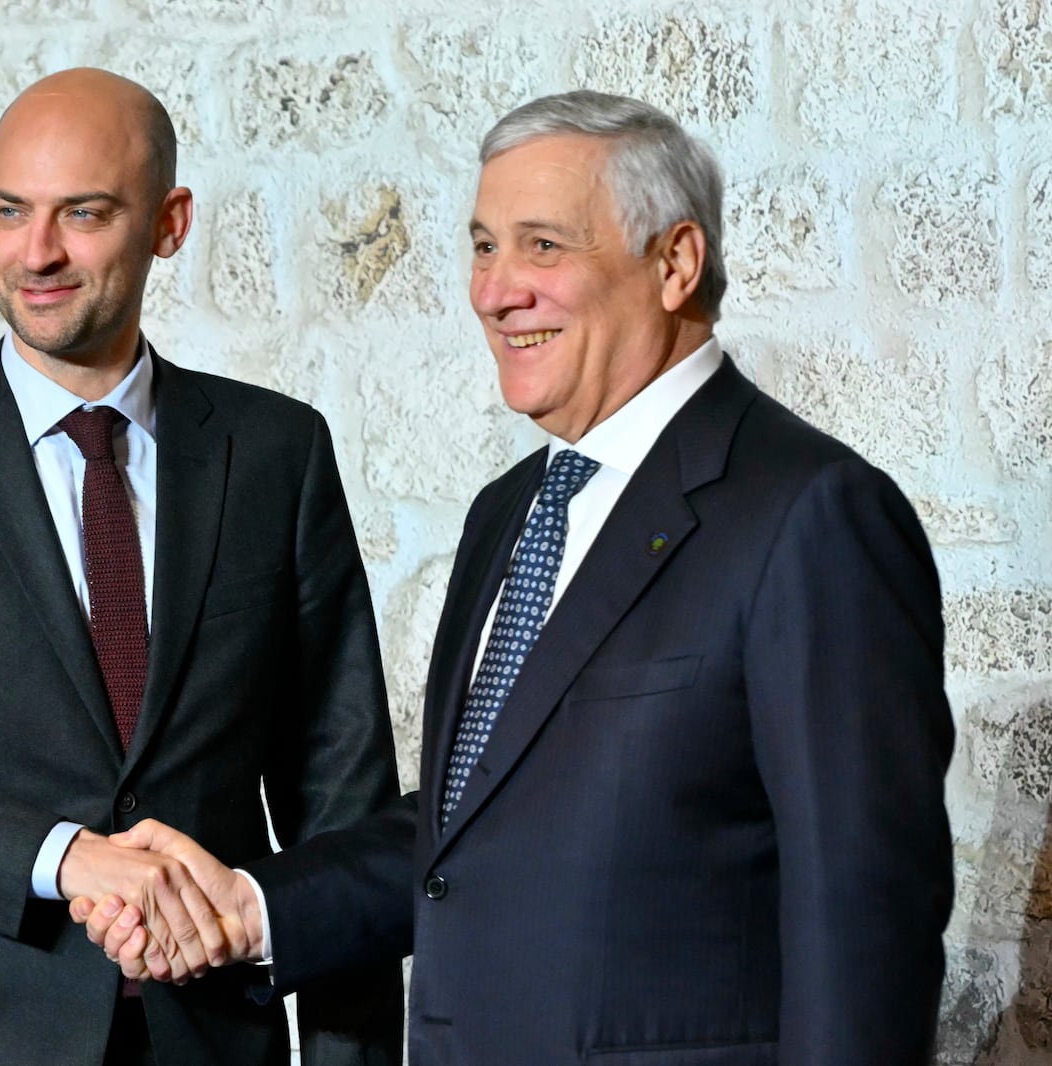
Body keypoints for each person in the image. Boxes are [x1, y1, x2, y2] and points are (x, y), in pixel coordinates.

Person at [76, 89, 956, 1065]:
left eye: (542, 246)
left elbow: (865, 915)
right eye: (484, 246)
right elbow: (472, 831)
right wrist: (252, 905)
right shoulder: (511, 510)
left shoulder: (810, 515)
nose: (495, 290)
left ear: (673, 264)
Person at [0, 67, 403, 1066]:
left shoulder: (276, 452)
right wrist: (64, 859)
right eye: (10, 211)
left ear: (169, 222)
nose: (37, 252)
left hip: (212, 1038)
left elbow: (342, 801)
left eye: (84, 213)